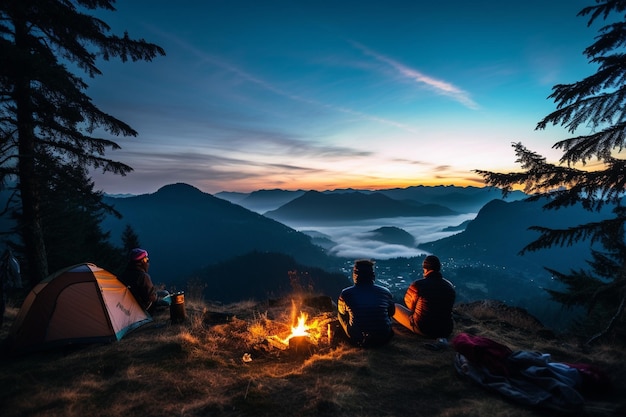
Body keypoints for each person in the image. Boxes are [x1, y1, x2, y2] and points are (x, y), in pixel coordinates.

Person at [393, 255, 456, 340]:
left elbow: (410, 306)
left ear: (425, 269)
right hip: (446, 330)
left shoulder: (418, 285)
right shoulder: (449, 286)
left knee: (395, 307)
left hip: (424, 328)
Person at [337, 259, 395, 347]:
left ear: (355, 275)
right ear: (373, 275)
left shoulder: (346, 293)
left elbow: (342, 312)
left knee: (340, 314)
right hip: (384, 337)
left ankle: (348, 334)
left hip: (358, 338)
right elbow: (391, 312)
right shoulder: (385, 292)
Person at [119, 248, 159, 314]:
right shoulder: (143, 277)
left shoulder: (124, 275)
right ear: (142, 261)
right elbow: (151, 297)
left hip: (128, 309)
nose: (148, 260)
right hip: (142, 310)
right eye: (146, 259)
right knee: (164, 294)